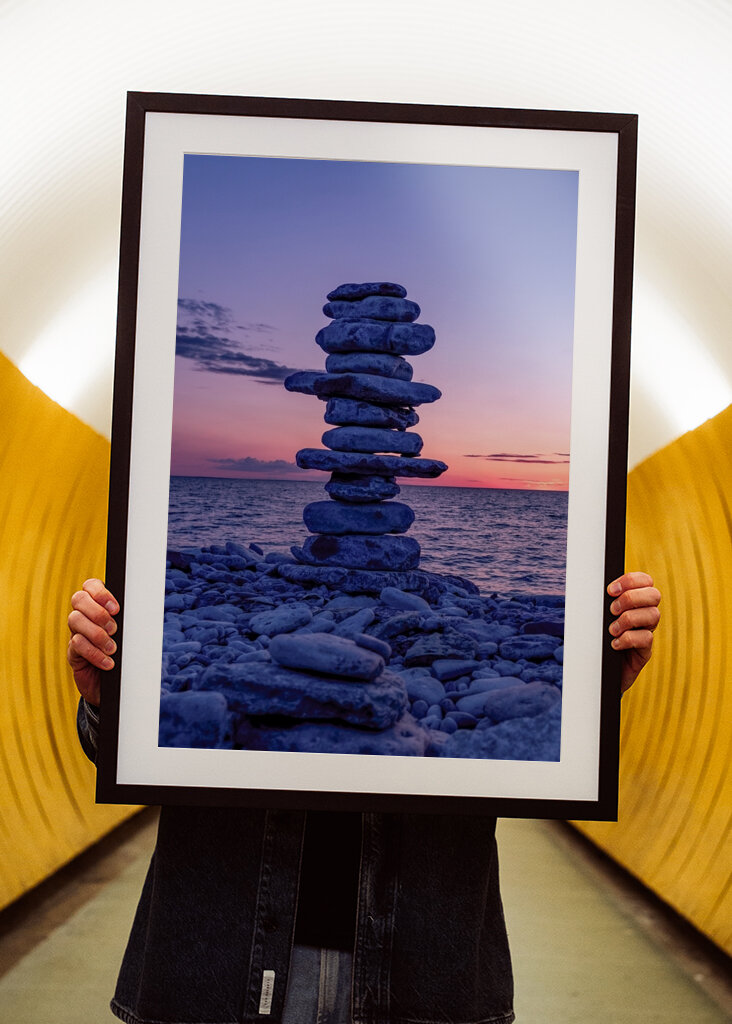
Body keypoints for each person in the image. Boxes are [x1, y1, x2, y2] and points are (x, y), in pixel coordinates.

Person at [68, 572, 661, 1024]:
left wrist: (592, 694)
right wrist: (110, 701)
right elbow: (124, 752)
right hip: (219, 960)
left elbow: (537, 757)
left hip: (423, 967)